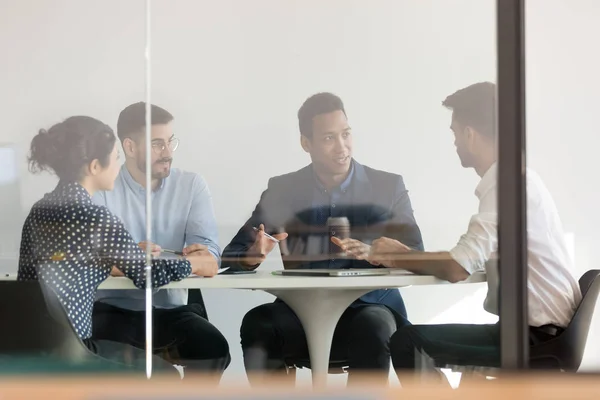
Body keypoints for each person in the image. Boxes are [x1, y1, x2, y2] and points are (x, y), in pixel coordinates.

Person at [335, 82, 582, 385]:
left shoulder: (507, 184)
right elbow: (473, 258)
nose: (454, 143)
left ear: (469, 133)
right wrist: (405, 255)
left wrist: (398, 255)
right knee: (450, 365)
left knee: (407, 342)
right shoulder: (517, 178)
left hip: (534, 337)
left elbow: (457, 267)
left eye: (454, 133)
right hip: (542, 332)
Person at [222, 92, 424, 385]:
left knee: (375, 326)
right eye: (329, 138)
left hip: (367, 312)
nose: (342, 147)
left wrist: (378, 252)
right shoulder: (283, 190)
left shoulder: (388, 187)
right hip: (299, 315)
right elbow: (233, 255)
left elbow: (416, 253)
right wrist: (252, 256)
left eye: (346, 134)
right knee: (258, 324)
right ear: (307, 143)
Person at [17, 116, 208, 373]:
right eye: (117, 158)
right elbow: (149, 276)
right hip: (76, 350)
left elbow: (35, 277)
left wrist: (118, 256)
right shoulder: (95, 216)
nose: (119, 167)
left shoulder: (40, 210)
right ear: (95, 166)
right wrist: (192, 263)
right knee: (165, 376)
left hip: (35, 346)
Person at [91, 103, 230, 379]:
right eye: (157, 144)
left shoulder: (191, 186)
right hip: (112, 311)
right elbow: (90, 260)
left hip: (172, 310)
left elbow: (210, 261)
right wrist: (129, 257)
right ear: (129, 147)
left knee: (214, 350)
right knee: (158, 376)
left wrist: (131, 261)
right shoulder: (102, 186)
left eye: (170, 142)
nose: (167, 153)